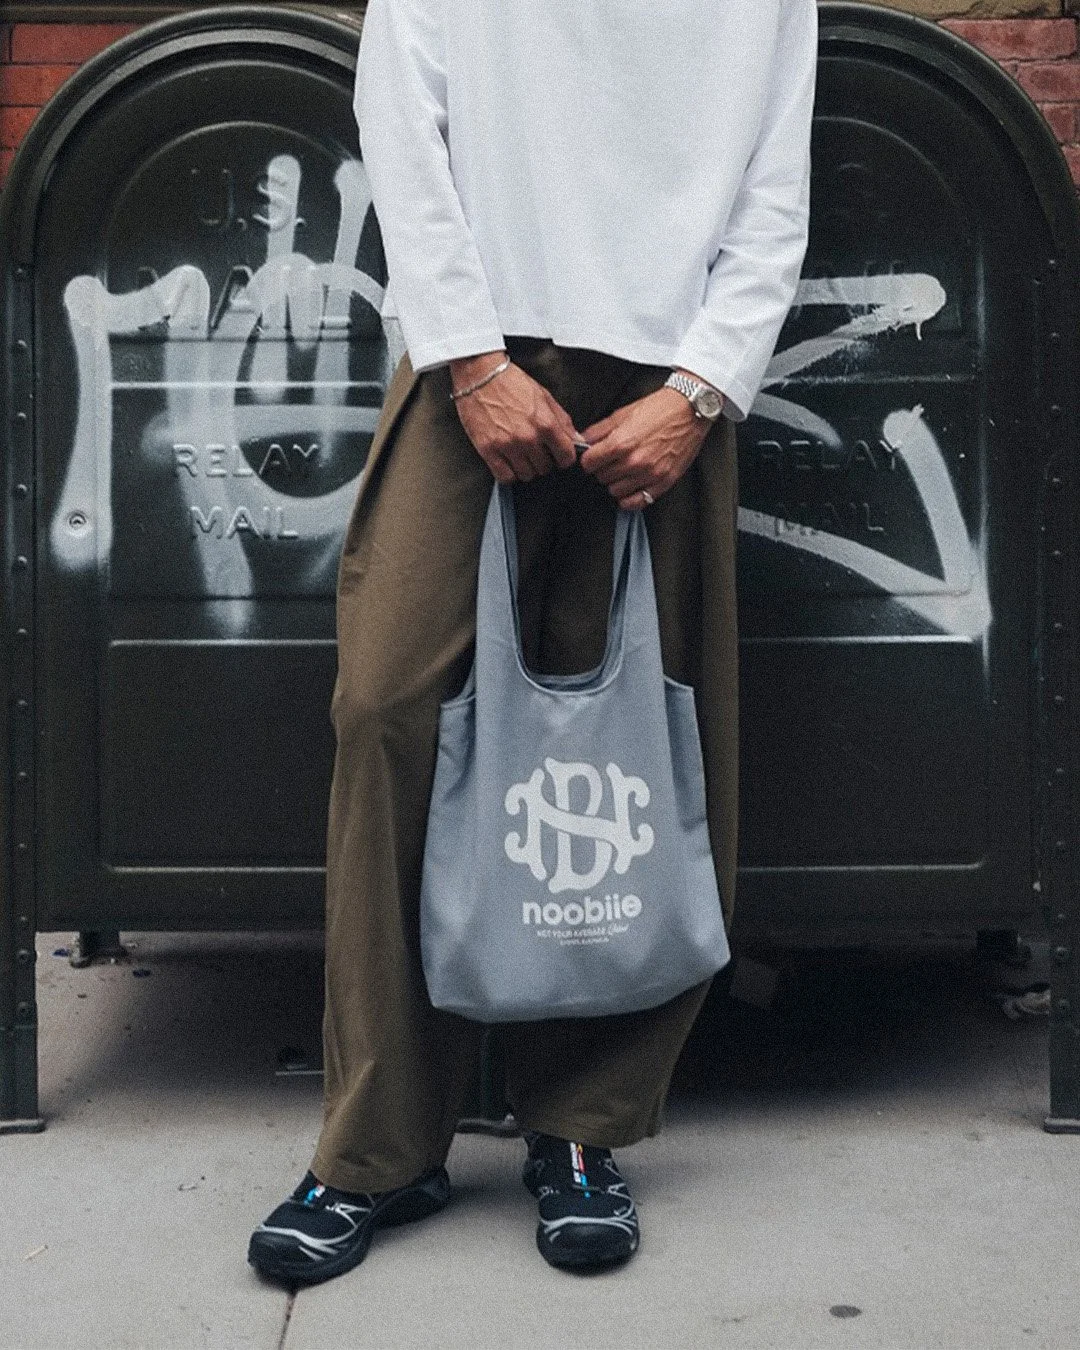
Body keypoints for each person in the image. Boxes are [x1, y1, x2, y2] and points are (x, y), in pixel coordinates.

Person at [248, 0, 817, 1285]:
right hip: (477, 364)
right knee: (391, 712)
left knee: (643, 747)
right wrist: (467, 357)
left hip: (667, 381)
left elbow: (774, 193)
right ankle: (379, 1146)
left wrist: (702, 389)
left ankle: (581, 1130)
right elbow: (404, 126)